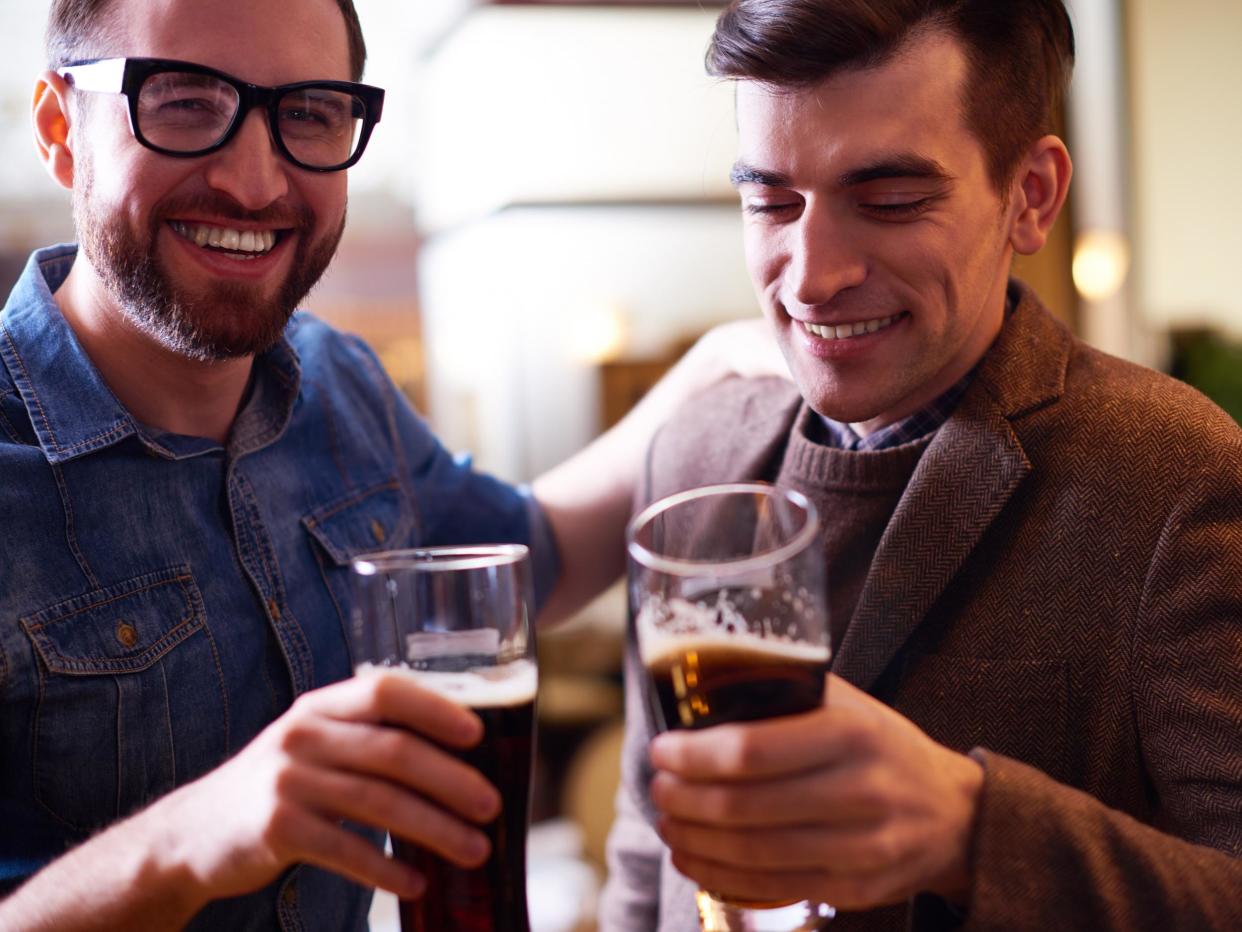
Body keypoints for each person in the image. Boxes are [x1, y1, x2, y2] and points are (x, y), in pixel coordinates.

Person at [0, 0, 780, 928]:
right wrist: (184, 841)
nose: (254, 183)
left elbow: (529, 559)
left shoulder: (340, 385)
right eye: (182, 102)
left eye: (310, 112)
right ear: (59, 128)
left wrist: (721, 359)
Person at [602, 0, 1242, 929]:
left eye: (891, 201)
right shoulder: (691, 456)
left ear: (1031, 195)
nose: (811, 275)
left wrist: (974, 833)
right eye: (770, 201)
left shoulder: (1175, 479)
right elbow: (642, 844)